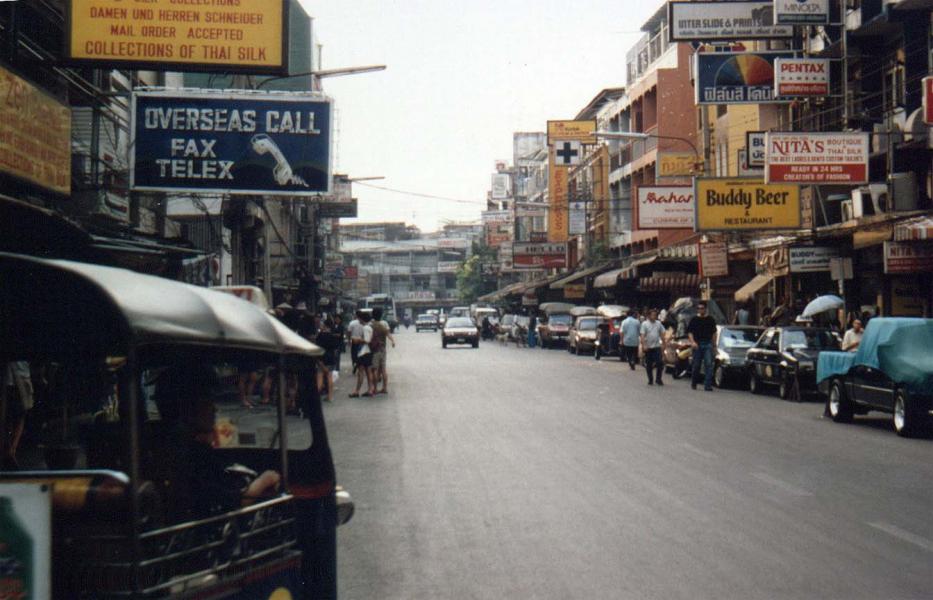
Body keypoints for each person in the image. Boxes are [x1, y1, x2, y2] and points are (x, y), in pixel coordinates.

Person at [154, 365, 280, 517]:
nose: (214, 409)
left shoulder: (169, 442)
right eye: (207, 401)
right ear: (187, 407)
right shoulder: (192, 454)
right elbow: (231, 504)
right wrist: (265, 480)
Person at [1, 362, 33, 470]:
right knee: (11, 416)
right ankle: (9, 449)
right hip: (12, 376)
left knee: (18, 415)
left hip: (20, 375)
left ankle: (11, 450)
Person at [687, 301, 718, 391]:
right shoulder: (694, 320)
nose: (700, 310)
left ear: (705, 309)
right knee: (696, 365)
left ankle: (707, 385)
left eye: (702, 308)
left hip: (707, 344)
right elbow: (690, 332)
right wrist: (693, 342)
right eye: (698, 308)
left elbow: (714, 333)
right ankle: (694, 382)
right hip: (697, 344)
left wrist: (714, 345)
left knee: (708, 364)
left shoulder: (711, 320)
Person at [370, 307, 395, 395]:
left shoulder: (370, 325)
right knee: (383, 369)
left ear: (372, 315)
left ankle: (375, 389)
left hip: (374, 350)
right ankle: (384, 388)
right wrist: (392, 341)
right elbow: (388, 334)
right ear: (381, 315)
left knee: (374, 370)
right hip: (382, 349)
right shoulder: (383, 324)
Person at [350, 313, 376, 397]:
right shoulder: (369, 327)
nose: (358, 320)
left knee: (360, 372)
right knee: (368, 372)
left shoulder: (365, 328)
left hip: (363, 352)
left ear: (362, 319)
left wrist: (357, 340)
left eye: (359, 319)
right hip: (367, 352)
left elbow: (367, 340)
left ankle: (357, 391)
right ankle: (370, 390)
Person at [639, 309, 666, 386]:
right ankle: (650, 379)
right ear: (649, 316)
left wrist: (664, 342)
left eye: (655, 315)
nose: (654, 316)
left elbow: (662, 332)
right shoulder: (644, 324)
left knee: (660, 363)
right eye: (652, 315)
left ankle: (658, 379)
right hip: (648, 347)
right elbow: (642, 335)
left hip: (656, 346)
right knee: (649, 364)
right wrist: (644, 345)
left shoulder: (658, 323)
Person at [347, 311, 365, 376]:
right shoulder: (364, 323)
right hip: (362, 341)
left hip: (354, 341)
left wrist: (349, 340)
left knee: (354, 355)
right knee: (361, 355)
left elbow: (349, 332)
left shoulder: (352, 323)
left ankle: (355, 364)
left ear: (356, 315)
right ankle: (360, 367)